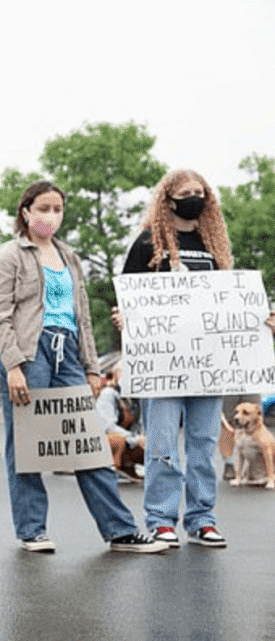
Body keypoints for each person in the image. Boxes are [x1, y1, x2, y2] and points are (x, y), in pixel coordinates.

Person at [0, 181, 167, 554]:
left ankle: (119, 530)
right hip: (29, 352)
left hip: (67, 351)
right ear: (26, 212)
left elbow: (81, 316)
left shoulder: (69, 256)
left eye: (57, 209)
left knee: (88, 440)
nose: (51, 216)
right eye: (43, 208)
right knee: (27, 444)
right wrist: (13, 365)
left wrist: (92, 367)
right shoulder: (9, 255)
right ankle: (32, 529)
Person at [116, 168, 275, 548]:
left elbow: (229, 305)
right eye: (186, 192)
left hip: (207, 366)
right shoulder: (146, 244)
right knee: (162, 447)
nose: (194, 198)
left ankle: (202, 519)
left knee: (203, 444)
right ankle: (161, 520)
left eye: (199, 192)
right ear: (168, 199)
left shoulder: (212, 246)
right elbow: (128, 298)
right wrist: (125, 320)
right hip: (161, 365)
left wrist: (259, 319)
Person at [96, 364, 145, 482]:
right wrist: (136, 439)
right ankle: (110, 467)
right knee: (116, 439)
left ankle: (127, 466)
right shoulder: (108, 394)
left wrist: (142, 440)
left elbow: (138, 427)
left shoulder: (136, 399)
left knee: (151, 448)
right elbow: (107, 427)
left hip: (128, 441)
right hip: (106, 440)